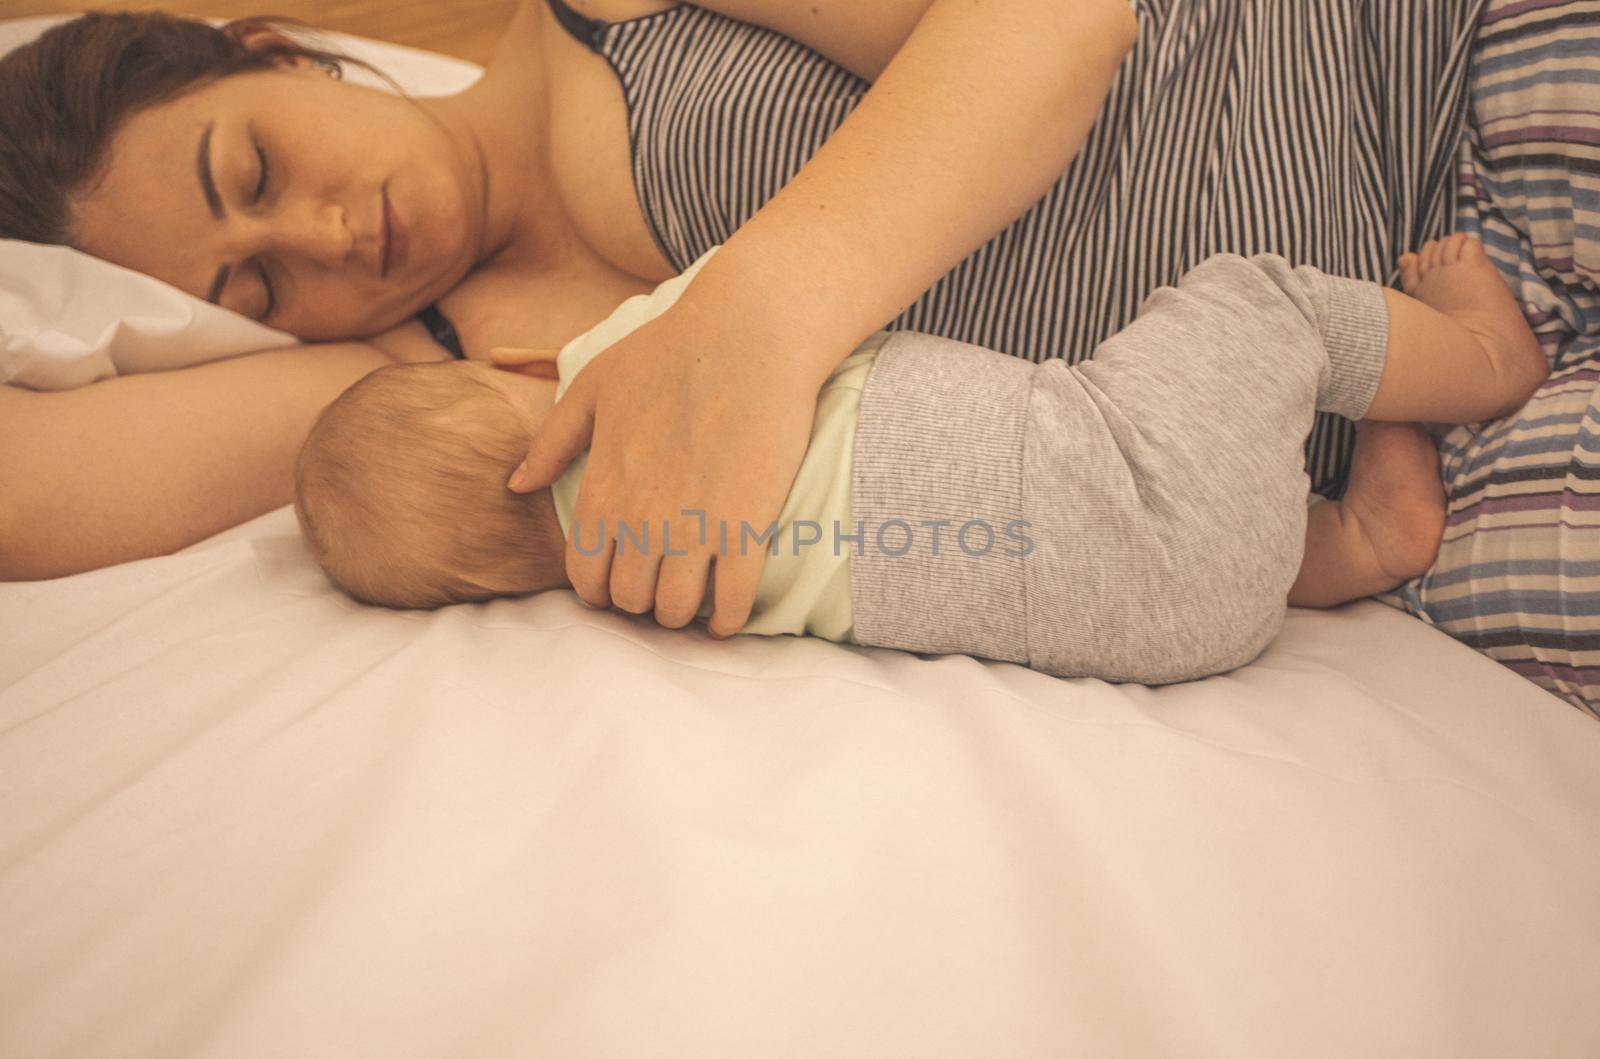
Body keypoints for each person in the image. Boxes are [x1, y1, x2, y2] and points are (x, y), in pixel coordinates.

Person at [0, 0, 1485, 640]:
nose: (324, 237)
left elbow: (1056, 18)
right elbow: (32, 491)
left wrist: (766, 319)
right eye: (253, 288)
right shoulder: (446, 388)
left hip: (1408, 69)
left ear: (282, 59)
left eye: (255, 168)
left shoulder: (610, 15)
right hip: (1382, 377)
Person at [293, 234, 1545, 682]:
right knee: (1252, 297)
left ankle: (1363, 538)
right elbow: (770, 294)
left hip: (1177, 629)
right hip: (1138, 483)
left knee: (1094, 543)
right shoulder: (631, 365)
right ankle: (1485, 356)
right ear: (517, 377)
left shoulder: (648, 593)